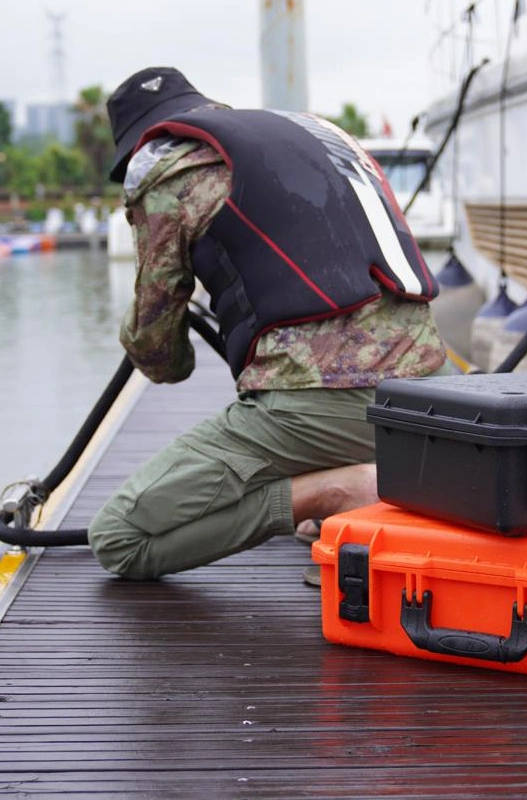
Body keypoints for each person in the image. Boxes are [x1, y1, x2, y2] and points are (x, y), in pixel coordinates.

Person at [88, 66, 448, 585]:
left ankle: (337, 491)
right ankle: (353, 484)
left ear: (139, 143)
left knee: (119, 537)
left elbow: (157, 351)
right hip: (429, 399)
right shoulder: (320, 138)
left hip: (318, 407)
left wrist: (179, 351)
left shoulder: (166, 166)